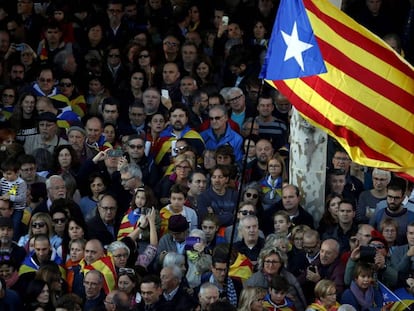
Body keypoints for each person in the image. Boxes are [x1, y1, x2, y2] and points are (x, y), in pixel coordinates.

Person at [0, 158, 27, 240]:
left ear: (17, 172)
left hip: (17, 209)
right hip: (5, 208)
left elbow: (22, 198)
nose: (5, 176)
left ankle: (14, 241)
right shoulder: (2, 180)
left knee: (15, 224)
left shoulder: (21, 183)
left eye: (9, 174)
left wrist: (10, 197)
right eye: (4, 173)